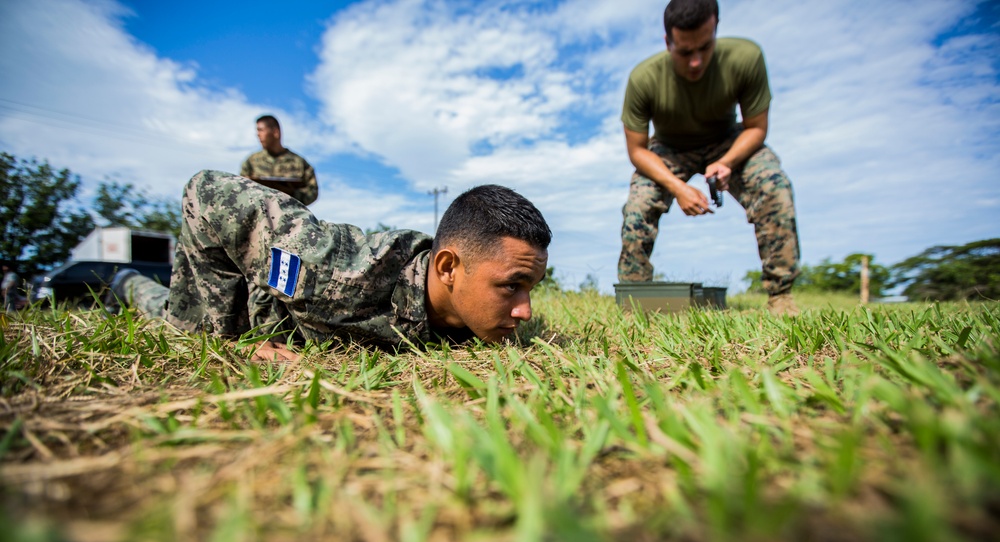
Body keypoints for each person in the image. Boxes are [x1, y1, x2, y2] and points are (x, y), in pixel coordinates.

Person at [109, 170, 551, 361]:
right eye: (512, 286)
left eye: (530, 289)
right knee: (166, 314)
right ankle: (123, 279)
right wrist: (225, 340)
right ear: (449, 268)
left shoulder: (475, 317)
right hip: (250, 305)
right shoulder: (336, 269)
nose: (524, 311)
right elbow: (203, 191)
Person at [618, 0, 802, 315]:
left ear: (716, 30)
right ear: (668, 42)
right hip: (669, 147)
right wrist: (677, 187)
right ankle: (635, 299)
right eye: (685, 52)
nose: (695, 62)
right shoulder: (643, 79)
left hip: (729, 140)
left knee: (774, 185)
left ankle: (781, 295)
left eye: (705, 47)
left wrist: (728, 161)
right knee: (639, 205)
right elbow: (637, 151)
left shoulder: (746, 58)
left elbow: (757, 129)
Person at [240, 115, 319, 206]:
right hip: (260, 216)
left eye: (261, 130)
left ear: (275, 132)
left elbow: (313, 191)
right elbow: (241, 190)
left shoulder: (299, 163)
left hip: (289, 216)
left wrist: (290, 195)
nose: (258, 134)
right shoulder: (251, 161)